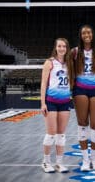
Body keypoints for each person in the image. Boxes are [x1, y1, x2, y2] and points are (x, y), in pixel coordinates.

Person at [69, 25, 95, 171]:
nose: (86, 34)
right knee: (83, 124)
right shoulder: (75, 52)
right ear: (80, 35)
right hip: (80, 90)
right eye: (83, 32)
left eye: (89, 32)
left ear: (92, 34)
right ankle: (85, 160)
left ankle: (94, 160)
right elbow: (68, 69)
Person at [40, 38, 72, 173]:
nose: (62, 48)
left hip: (65, 102)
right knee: (51, 134)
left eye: (64, 46)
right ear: (56, 47)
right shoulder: (49, 62)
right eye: (59, 46)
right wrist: (43, 103)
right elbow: (43, 83)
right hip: (51, 101)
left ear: (67, 48)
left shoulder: (70, 63)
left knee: (61, 134)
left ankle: (59, 163)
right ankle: (46, 162)